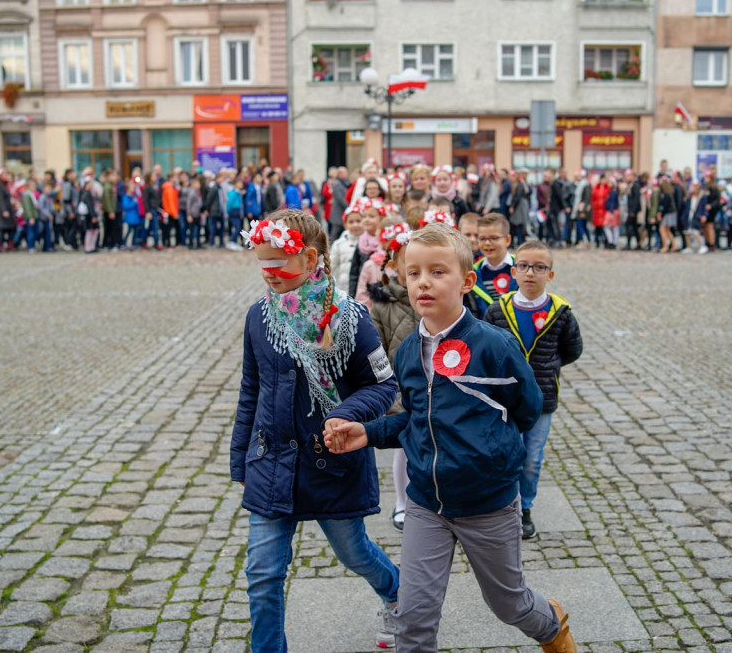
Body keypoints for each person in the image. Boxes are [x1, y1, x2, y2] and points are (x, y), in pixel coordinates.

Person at [325, 223, 576, 653]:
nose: (424, 282)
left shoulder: (494, 345)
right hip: (427, 503)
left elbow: (527, 408)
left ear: (467, 282)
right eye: (415, 272)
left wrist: (492, 454)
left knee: (509, 604)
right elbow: (414, 422)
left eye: (438, 272)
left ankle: (552, 626)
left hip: (488, 503)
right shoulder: (406, 352)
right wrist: (366, 432)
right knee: (414, 620)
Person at [232, 209, 400, 652]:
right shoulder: (258, 317)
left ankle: (398, 595)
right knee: (263, 572)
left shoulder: (349, 319)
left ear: (309, 258)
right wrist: (241, 459)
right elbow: (252, 390)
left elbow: (383, 384)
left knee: (354, 553)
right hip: (272, 465)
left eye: (277, 264)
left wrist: (346, 413)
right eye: (261, 263)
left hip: (333, 463)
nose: (267, 274)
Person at [483, 240, 582, 539]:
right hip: (505, 398)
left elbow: (572, 349)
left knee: (531, 458)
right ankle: (501, 506)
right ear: (514, 271)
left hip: (541, 399)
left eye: (539, 267)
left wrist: (546, 367)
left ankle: (525, 507)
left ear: (549, 275)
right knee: (502, 453)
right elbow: (484, 348)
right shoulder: (497, 310)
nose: (531, 273)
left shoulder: (560, 312)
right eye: (524, 266)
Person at [366, 225, 422, 533]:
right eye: (410, 264)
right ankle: (402, 501)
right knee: (403, 447)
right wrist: (388, 389)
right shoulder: (383, 304)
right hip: (400, 386)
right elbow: (377, 350)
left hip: (436, 383)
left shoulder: (432, 295)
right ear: (393, 266)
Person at [472, 213, 516, 317]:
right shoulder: (474, 272)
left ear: (507, 240)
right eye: (482, 239)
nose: (487, 243)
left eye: (494, 238)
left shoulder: (521, 267)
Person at [331, 205, 364, 292]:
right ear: (345, 225)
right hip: (343, 288)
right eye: (351, 222)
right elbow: (332, 266)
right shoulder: (338, 244)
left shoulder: (368, 243)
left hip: (361, 287)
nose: (355, 225)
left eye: (358, 221)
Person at [509, 169, 531, 246]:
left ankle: (520, 241)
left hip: (520, 206)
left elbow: (518, 196)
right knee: (518, 224)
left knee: (517, 224)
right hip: (520, 205)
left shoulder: (521, 183)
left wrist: (512, 206)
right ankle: (520, 241)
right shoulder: (519, 183)